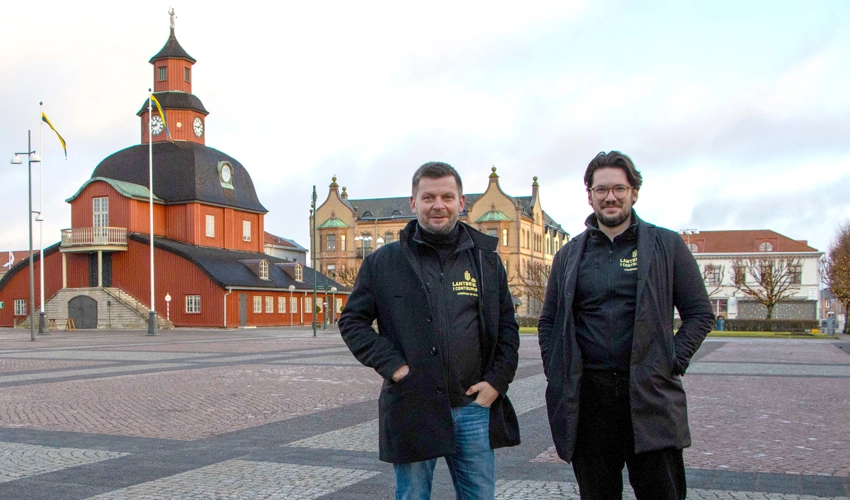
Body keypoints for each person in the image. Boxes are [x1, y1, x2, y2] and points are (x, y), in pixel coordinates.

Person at [339, 161, 520, 500]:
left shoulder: (486, 261)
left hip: (472, 408)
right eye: (429, 197)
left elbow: (508, 329)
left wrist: (497, 382)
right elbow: (352, 321)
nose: (439, 205)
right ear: (414, 203)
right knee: (412, 496)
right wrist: (394, 367)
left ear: (461, 202)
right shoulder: (384, 262)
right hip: (412, 404)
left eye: (447, 197)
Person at [538, 151, 714, 500]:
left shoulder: (667, 245)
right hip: (590, 401)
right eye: (601, 189)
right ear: (589, 195)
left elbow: (699, 313)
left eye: (619, 188)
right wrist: (557, 370)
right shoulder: (569, 255)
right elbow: (548, 321)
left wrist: (671, 360)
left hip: (649, 396)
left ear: (634, 192)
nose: (610, 196)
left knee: (662, 493)